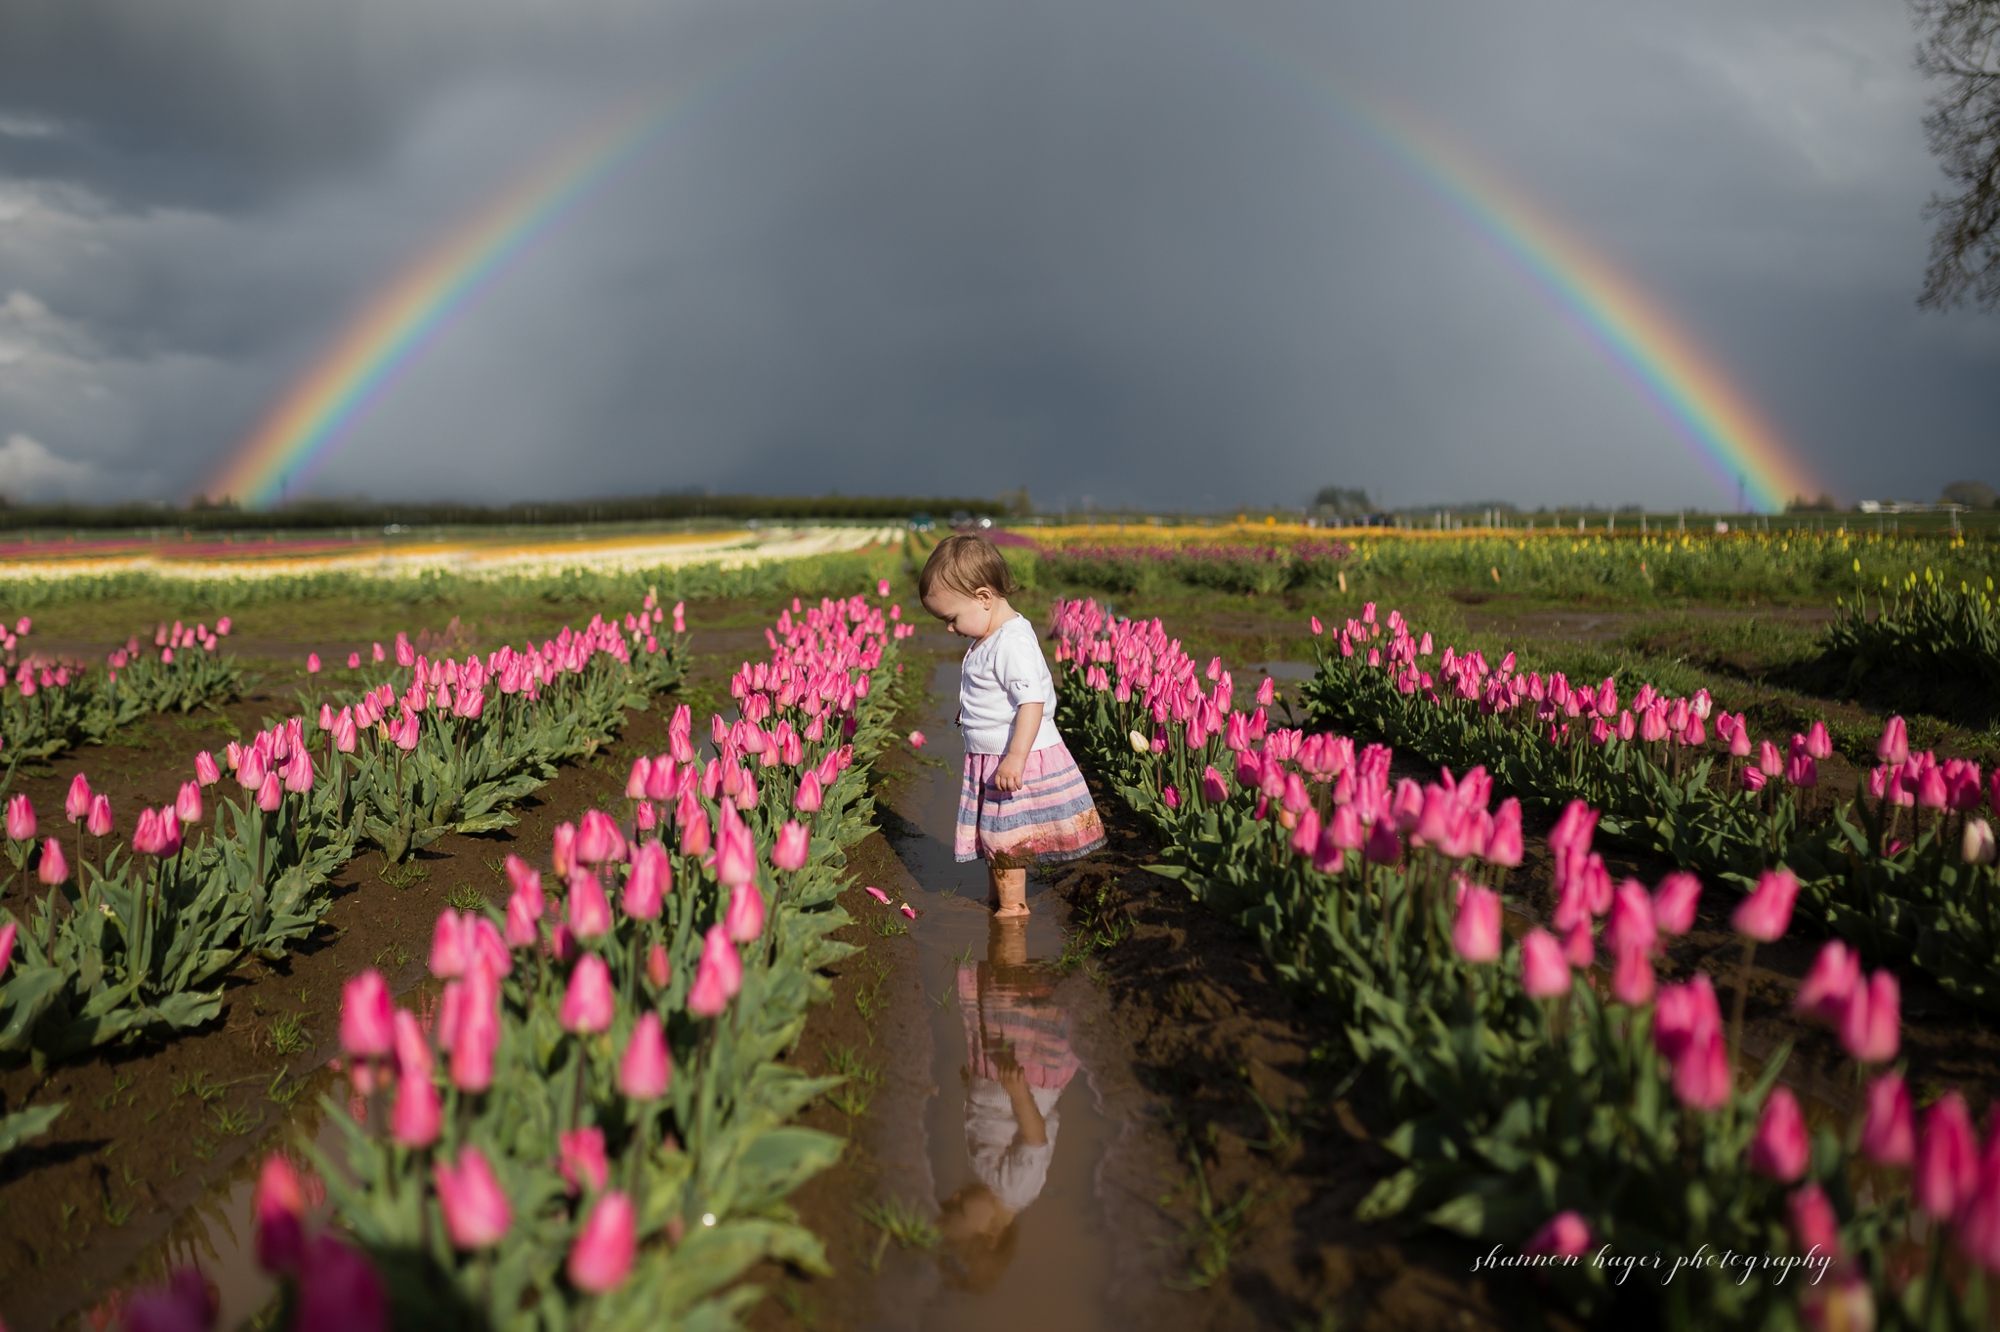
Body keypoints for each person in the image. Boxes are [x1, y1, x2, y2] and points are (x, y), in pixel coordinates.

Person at [919, 533, 1105, 917]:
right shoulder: (990, 635)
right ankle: (997, 898)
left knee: (1005, 838)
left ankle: (1013, 909)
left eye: (951, 619)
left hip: (1015, 757)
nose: (950, 629)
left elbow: (1032, 702)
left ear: (984, 597)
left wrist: (1016, 757)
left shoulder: (1012, 642)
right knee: (994, 834)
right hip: (994, 757)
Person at [938, 916, 1080, 1292]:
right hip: (1026, 1078)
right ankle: (1019, 943)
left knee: (1000, 1006)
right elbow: (1034, 1140)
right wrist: (1018, 1095)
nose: (956, 1194)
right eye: (958, 1207)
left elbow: (986, 1126)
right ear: (990, 1233)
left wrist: (975, 1084)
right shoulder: (1016, 1191)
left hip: (997, 1076)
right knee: (1023, 1010)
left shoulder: (989, 1185)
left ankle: (1011, 951)